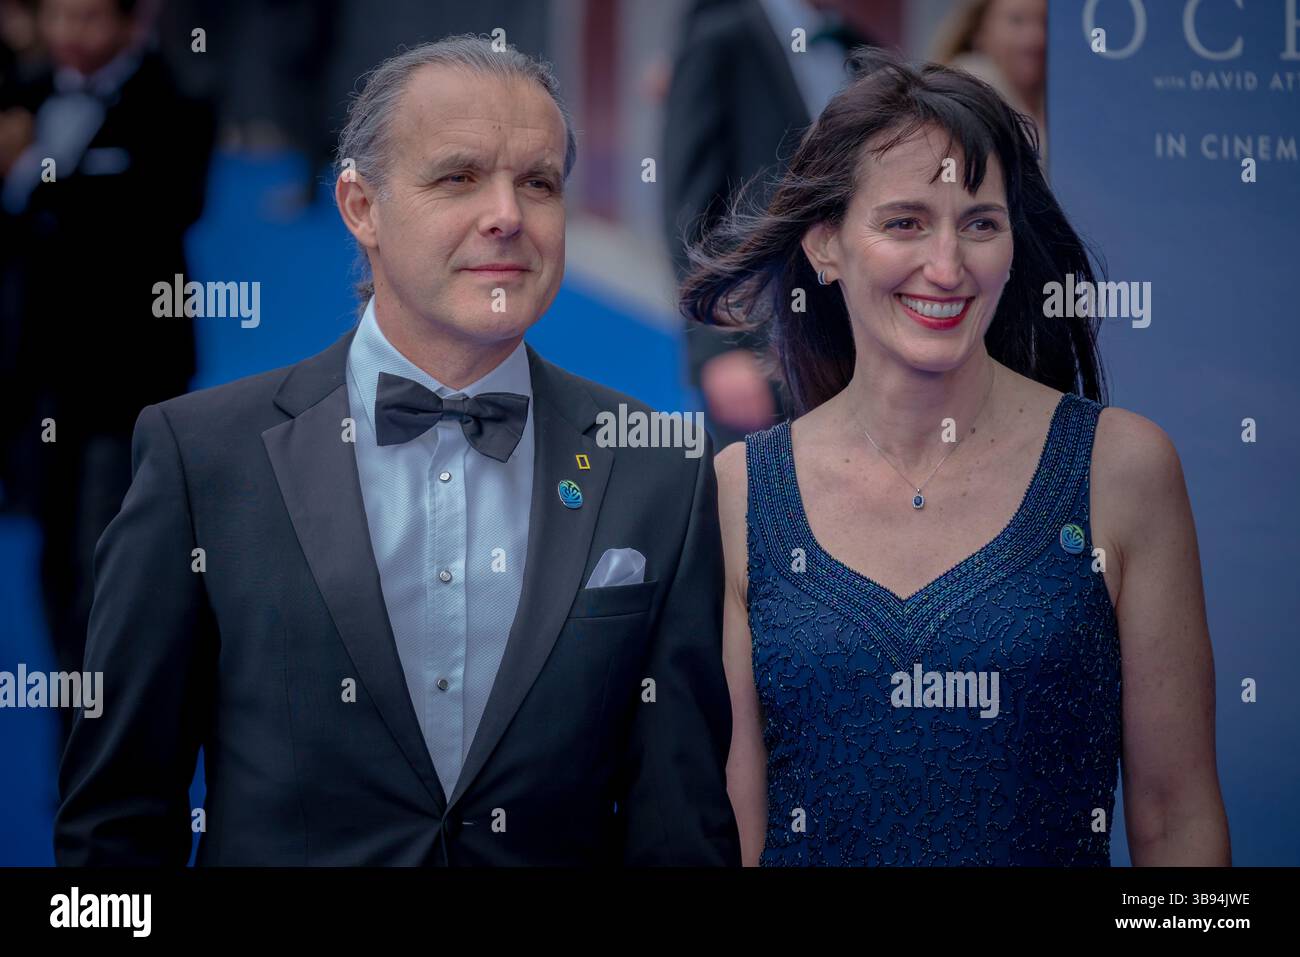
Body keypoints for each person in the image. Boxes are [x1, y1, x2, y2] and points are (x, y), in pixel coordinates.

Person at [54, 35, 739, 866]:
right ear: (360, 206)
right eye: (457, 176)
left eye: (538, 183)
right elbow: (114, 825)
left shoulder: (659, 466)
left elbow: (682, 822)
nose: (507, 215)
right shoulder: (201, 459)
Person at [684, 48, 1230, 865]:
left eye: (979, 223)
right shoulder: (739, 491)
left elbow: (1176, 816)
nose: (947, 267)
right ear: (825, 247)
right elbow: (737, 834)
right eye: (905, 222)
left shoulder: (1121, 470)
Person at [0, 0, 212, 746]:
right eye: (57, 15)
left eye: (89, 17)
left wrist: (33, 172)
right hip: (34, 379)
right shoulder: (19, 93)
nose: (70, 33)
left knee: (113, 563)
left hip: (128, 380)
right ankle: (75, 728)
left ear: (132, 23)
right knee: (54, 555)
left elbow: (165, 209)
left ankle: (115, 740)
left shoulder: (177, 99)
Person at [661, 0, 876, 447]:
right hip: (760, 347)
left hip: (856, 348)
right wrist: (717, 348)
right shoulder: (720, 38)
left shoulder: (860, 48)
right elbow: (690, 208)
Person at [931, 0, 1046, 164]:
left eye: (1045, 22)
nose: (1035, 37)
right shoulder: (970, 85)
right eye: (1017, 20)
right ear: (978, 32)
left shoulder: (1051, 96)